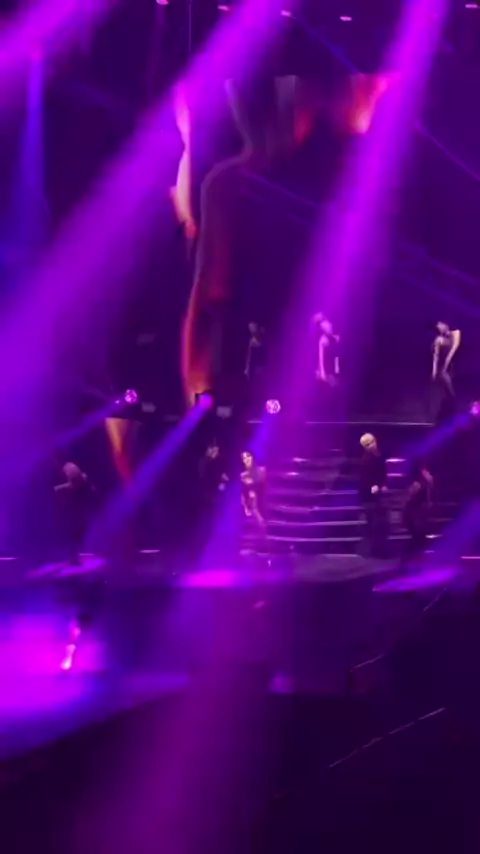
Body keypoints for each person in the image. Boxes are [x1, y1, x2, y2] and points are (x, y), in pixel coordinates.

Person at [54, 462, 93, 565]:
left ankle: (74, 557)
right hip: (74, 514)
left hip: (78, 513)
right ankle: (73, 557)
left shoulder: (81, 481)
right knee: (74, 536)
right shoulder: (69, 487)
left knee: (76, 535)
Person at [359, 433, 389, 559]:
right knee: (375, 523)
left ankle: (380, 549)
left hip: (377, 493)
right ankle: (375, 551)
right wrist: (375, 485)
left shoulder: (378, 455)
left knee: (381, 523)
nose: (371, 445)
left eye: (372, 442)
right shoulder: (366, 460)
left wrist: (382, 484)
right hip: (370, 496)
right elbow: (365, 479)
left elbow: (382, 473)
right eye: (368, 444)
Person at [402, 460, 433, 568]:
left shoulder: (425, 480)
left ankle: (415, 558)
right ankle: (411, 558)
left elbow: (428, 494)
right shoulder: (418, 482)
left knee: (418, 536)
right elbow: (409, 497)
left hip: (418, 512)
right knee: (416, 535)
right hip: (413, 512)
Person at [240, 450, 267, 545]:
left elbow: (263, 486)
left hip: (261, 498)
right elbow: (243, 493)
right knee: (251, 498)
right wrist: (245, 506)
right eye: (244, 458)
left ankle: (262, 537)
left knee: (254, 498)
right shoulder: (243, 475)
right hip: (249, 500)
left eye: (248, 456)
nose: (246, 459)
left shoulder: (261, 471)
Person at [432, 322, 461, 399]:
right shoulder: (439, 339)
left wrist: (447, 362)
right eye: (438, 327)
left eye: (440, 325)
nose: (440, 328)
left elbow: (455, 347)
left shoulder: (456, 332)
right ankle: (452, 394)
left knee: (445, 373)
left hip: (457, 356)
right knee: (444, 374)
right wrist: (434, 370)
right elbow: (436, 355)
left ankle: (453, 394)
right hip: (447, 359)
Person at [313, 313, 340, 384]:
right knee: (324, 358)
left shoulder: (325, 322)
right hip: (326, 341)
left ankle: (321, 372)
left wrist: (334, 337)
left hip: (329, 342)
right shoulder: (322, 324)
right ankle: (321, 373)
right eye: (318, 315)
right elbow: (328, 332)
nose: (320, 314)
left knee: (327, 358)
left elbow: (329, 332)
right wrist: (335, 337)